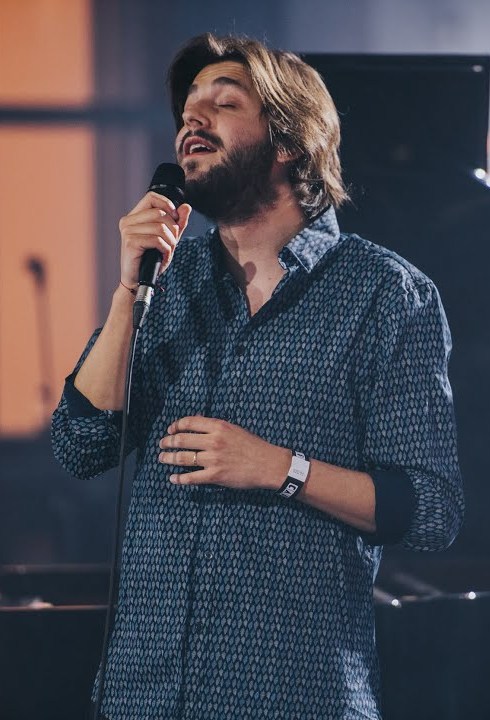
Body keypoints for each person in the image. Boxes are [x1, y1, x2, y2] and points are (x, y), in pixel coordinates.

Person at [51, 33, 464, 719]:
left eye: (224, 101)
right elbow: (80, 445)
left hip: (290, 694)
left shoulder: (385, 294)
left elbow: (430, 510)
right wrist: (127, 294)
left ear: (289, 141)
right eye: (187, 107)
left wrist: (278, 467)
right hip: (145, 695)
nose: (193, 118)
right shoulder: (169, 285)